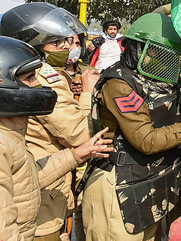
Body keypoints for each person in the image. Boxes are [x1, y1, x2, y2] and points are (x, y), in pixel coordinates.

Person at [81, 13, 181, 240]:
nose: (166, 61)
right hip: (119, 188)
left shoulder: (170, 80)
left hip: (155, 187)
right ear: (138, 49)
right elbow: (147, 140)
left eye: (172, 56)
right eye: (159, 53)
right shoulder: (119, 83)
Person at [0, 36, 113, 241]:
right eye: (30, 78)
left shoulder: (12, 132)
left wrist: (76, 155)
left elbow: (27, 180)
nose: (38, 85)